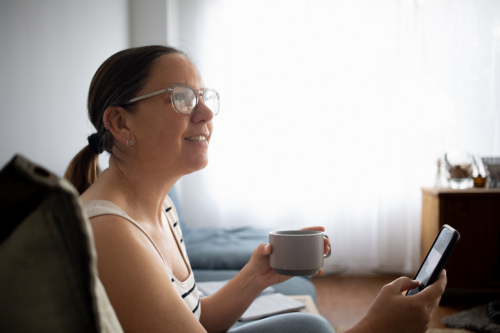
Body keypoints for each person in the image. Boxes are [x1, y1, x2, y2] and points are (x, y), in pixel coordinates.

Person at [64, 45, 446, 333]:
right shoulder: (110, 233)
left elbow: (199, 321)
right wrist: (376, 328)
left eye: (203, 97)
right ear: (119, 123)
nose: (206, 114)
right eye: (181, 98)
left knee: (311, 329)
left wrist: (257, 275)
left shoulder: (161, 208)